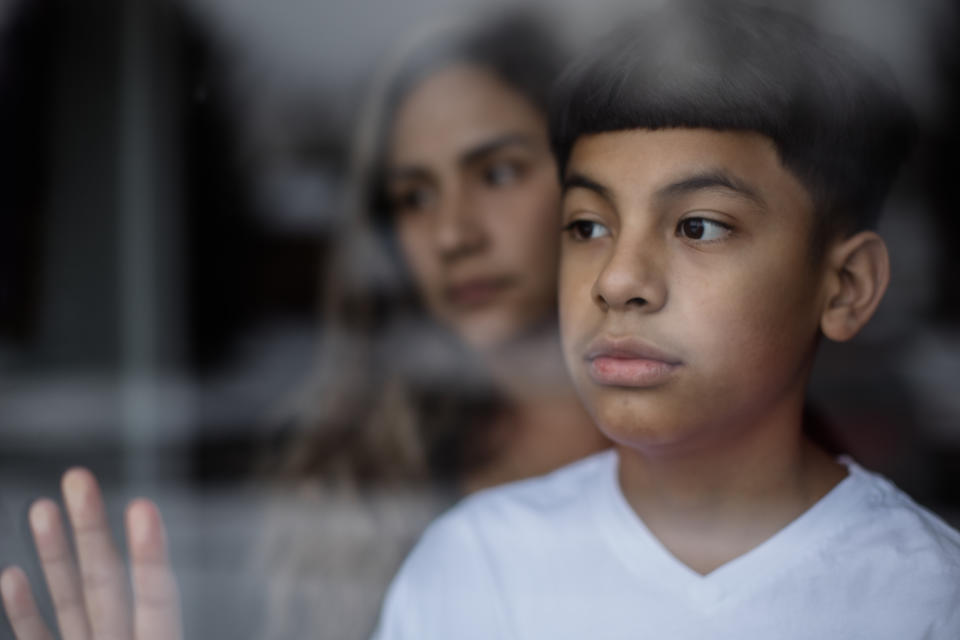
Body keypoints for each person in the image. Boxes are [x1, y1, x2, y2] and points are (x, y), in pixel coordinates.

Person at [0, 11, 609, 640]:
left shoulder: (692, 458)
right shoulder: (348, 491)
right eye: (414, 197)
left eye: (497, 173)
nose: (454, 233)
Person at [372, 2, 960, 638]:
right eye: (588, 226)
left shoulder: (927, 596)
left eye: (698, 227)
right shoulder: (474, 566)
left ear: (845, 288)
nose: (617, 281)